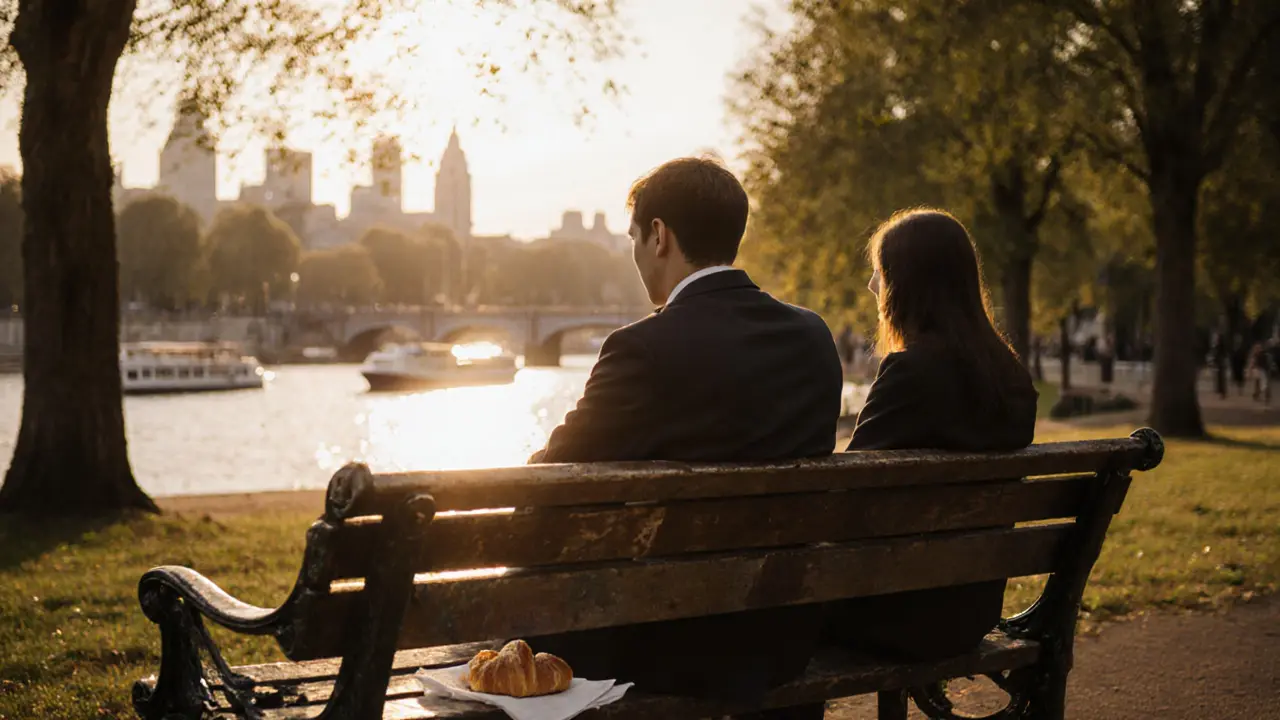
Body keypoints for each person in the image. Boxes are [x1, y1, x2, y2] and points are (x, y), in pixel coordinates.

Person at [527, 157, 844, 714]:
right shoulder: (812, 339)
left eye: (634, 238)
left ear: (658, 236)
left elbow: (551, 480)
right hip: (783, 635)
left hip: (668, 640)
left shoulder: (642, 349)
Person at [790, 208, 1038, 719]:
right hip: (968, 610)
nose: (871, 285)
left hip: (894, 612)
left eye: (879, 273)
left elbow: (844, 499)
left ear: (906, 284)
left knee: (770, 621)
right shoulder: (1011, 379)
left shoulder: (910, 373)